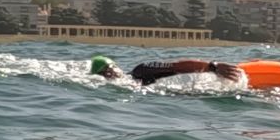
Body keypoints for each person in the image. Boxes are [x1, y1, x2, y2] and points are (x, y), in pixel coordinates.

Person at [90, 55, 240, 85]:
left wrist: (213, 66)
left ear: (116, 67)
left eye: (109, 69)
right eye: (102, 73)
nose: (108, 74)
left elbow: (177, 65)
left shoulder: (141, 70)